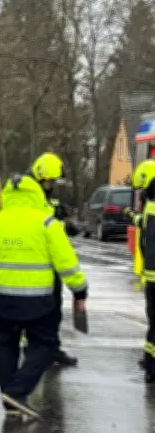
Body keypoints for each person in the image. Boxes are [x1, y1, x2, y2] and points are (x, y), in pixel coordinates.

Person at [0, 170, 88, 417]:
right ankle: (17, 392)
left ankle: (11, 401)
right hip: (40, 301)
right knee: (45, 345)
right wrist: (79, 289)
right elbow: (66, 262)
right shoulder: (47, 223)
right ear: (36, 194)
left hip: (1, 300)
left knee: (4, 347)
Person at [23, 153, 80, 367]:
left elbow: (49, 213)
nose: (51, 185)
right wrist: (64, 223)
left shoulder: (43, 194)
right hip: (35, 261)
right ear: (40, 177)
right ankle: (35, 349)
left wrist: (60, 212)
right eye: (50, 181)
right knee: (38, 310)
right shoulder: (28, 194)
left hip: (48, 261)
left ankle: (50, 348)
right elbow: (39, 222)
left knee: (54, 308)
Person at [123, 159, 155, 383]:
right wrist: (131, 215)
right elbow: (142, 222)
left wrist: (130, 214)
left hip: (152, 277)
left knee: (153, 323)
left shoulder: (151, 208)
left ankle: (150, 365)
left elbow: (144, 224)